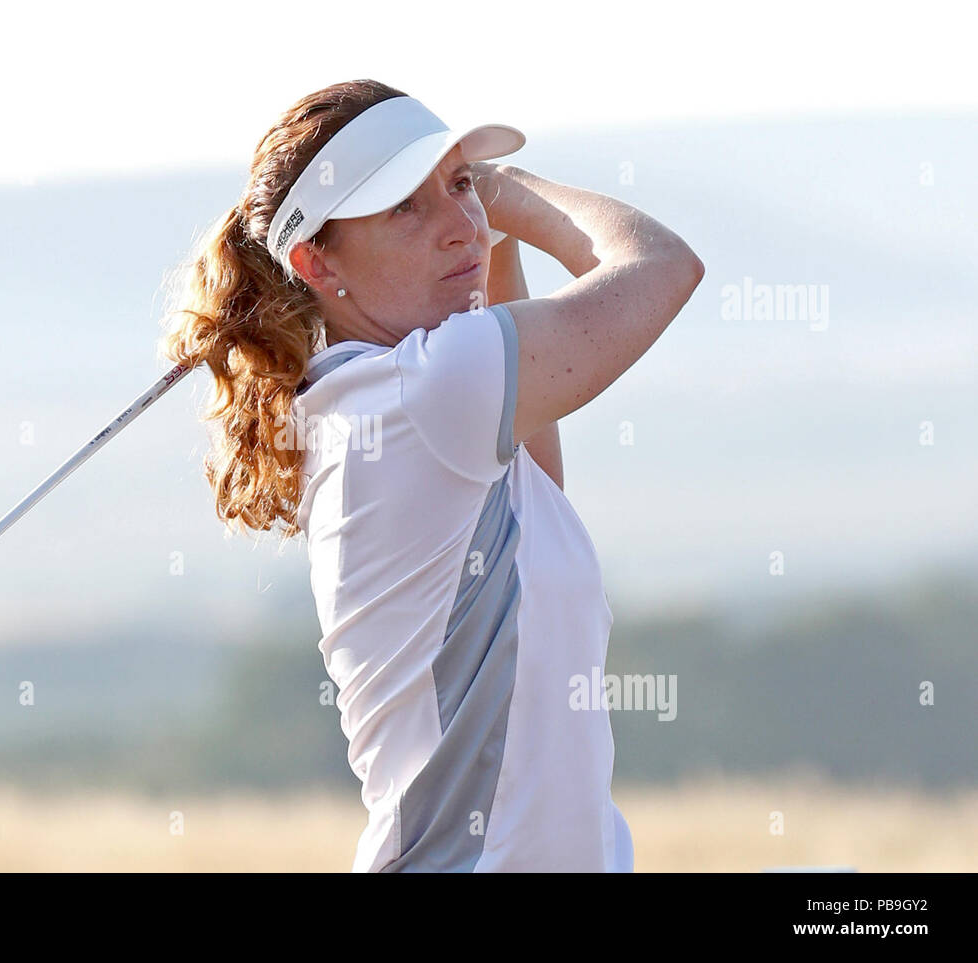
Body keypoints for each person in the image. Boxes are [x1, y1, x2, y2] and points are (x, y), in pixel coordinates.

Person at [158, 79, 704, 871]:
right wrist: (513, 196)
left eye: (458, 184)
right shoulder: (426, 391)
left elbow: (540, 489)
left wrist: (492, 242)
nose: (457, 224)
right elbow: (663, 266)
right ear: (315, 262)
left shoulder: (389, 396)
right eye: (404, 208)